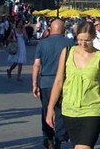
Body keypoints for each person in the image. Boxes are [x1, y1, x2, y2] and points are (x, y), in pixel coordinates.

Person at [46, 22, 100, 149]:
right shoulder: (67, 52)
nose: (83, 44)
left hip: (93, 109)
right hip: (70, 110)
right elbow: (59, 81)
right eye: (80, 40)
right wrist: (50, 108)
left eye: (87, 40)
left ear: (94, 37)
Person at [33, 19, 71, 149]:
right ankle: (60, 137)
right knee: (61, 110)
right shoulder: (69, 43)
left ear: (50, 29)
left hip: (46, 82)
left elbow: (37, 64)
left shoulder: (42, 43)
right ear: (63, 29)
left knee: (46, 110)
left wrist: (34, 84)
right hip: (64, 82)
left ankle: (48, 138)